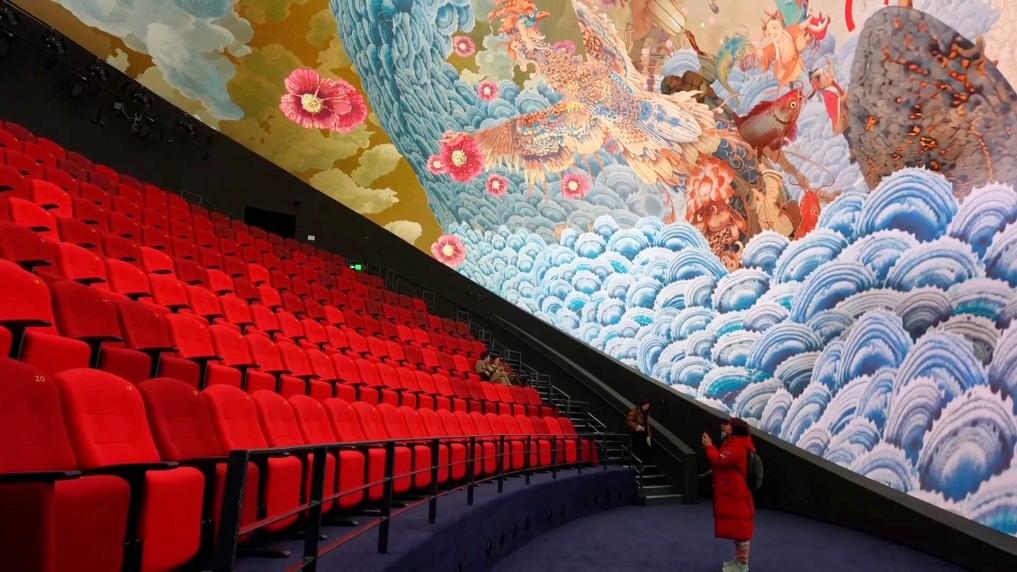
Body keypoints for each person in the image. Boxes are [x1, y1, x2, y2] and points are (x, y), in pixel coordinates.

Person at [702, 418, 757, 572]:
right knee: (736, 528)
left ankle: (742, 564)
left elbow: (719, 460)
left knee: (740, 528)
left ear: (734, 429)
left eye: (728, 425)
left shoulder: (737, 446)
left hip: (736, 492)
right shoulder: (733, 443)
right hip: (732, 490)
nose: (725, 426)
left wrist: (709, 446)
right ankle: (739, 560)